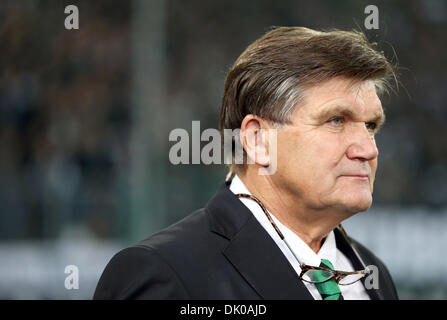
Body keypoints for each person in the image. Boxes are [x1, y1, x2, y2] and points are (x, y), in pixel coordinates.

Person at [93, 26, 399, 300]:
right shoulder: (162, 273)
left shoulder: (373, 275)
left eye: (371, 126)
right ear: (257, 140)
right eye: (335, 120)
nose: (367, 150)